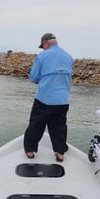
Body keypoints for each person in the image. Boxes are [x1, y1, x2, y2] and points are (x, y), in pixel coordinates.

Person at [24, 33, 74, 162]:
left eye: (43, 46)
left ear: (46, 43)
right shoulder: (69, 57)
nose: (42, 48)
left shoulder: (42, 56)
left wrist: (37, 80)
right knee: (59, 126)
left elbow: (34, 77)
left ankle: (30, 150)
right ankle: (60, 152)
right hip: (63, 100)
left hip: (44, 99)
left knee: (36, 124)